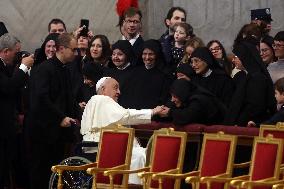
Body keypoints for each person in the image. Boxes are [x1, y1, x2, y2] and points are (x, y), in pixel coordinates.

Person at [80, 77, 163, 184]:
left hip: (103, 145)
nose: (119, 92)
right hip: (103, 147)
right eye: (115, 88)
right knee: (140, 156)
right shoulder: (101, 99)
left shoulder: (100, 103)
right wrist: (152, 112)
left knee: (145, 154)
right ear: (103, 89)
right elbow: (125, 115)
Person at [27, 33, 82, 188]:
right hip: (42, 131)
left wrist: (79, 114)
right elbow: (41, 100)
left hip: (57, 132)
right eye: (74, 49)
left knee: (54, 172)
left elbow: (68, 97)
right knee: (41, 171)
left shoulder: (65, 69)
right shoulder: (44, 69)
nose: (76, 53)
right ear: (62, 49)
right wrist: (60, 117)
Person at [0, 33, 34, 188]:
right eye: (16, 52)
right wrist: (23, 66)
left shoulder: (7, 66)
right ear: (6, 51)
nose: (18, 55)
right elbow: (8, 87)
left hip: (8, 127)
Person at [224, 38, 276, 127]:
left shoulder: (258, 78)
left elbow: (254, 107)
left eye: (237, 57)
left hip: (249, 125)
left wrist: (239, 123)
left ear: (245, 58)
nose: (233, 60)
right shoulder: (246, 75)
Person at [158, 79, 226, 125]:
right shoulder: (182, 98)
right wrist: (159, 111)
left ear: (182, 94)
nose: (172, 99)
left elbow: (187, 116)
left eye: (175, 96)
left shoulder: (199, 100)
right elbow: (170, 108)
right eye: (171, 96)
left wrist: (169, 112)